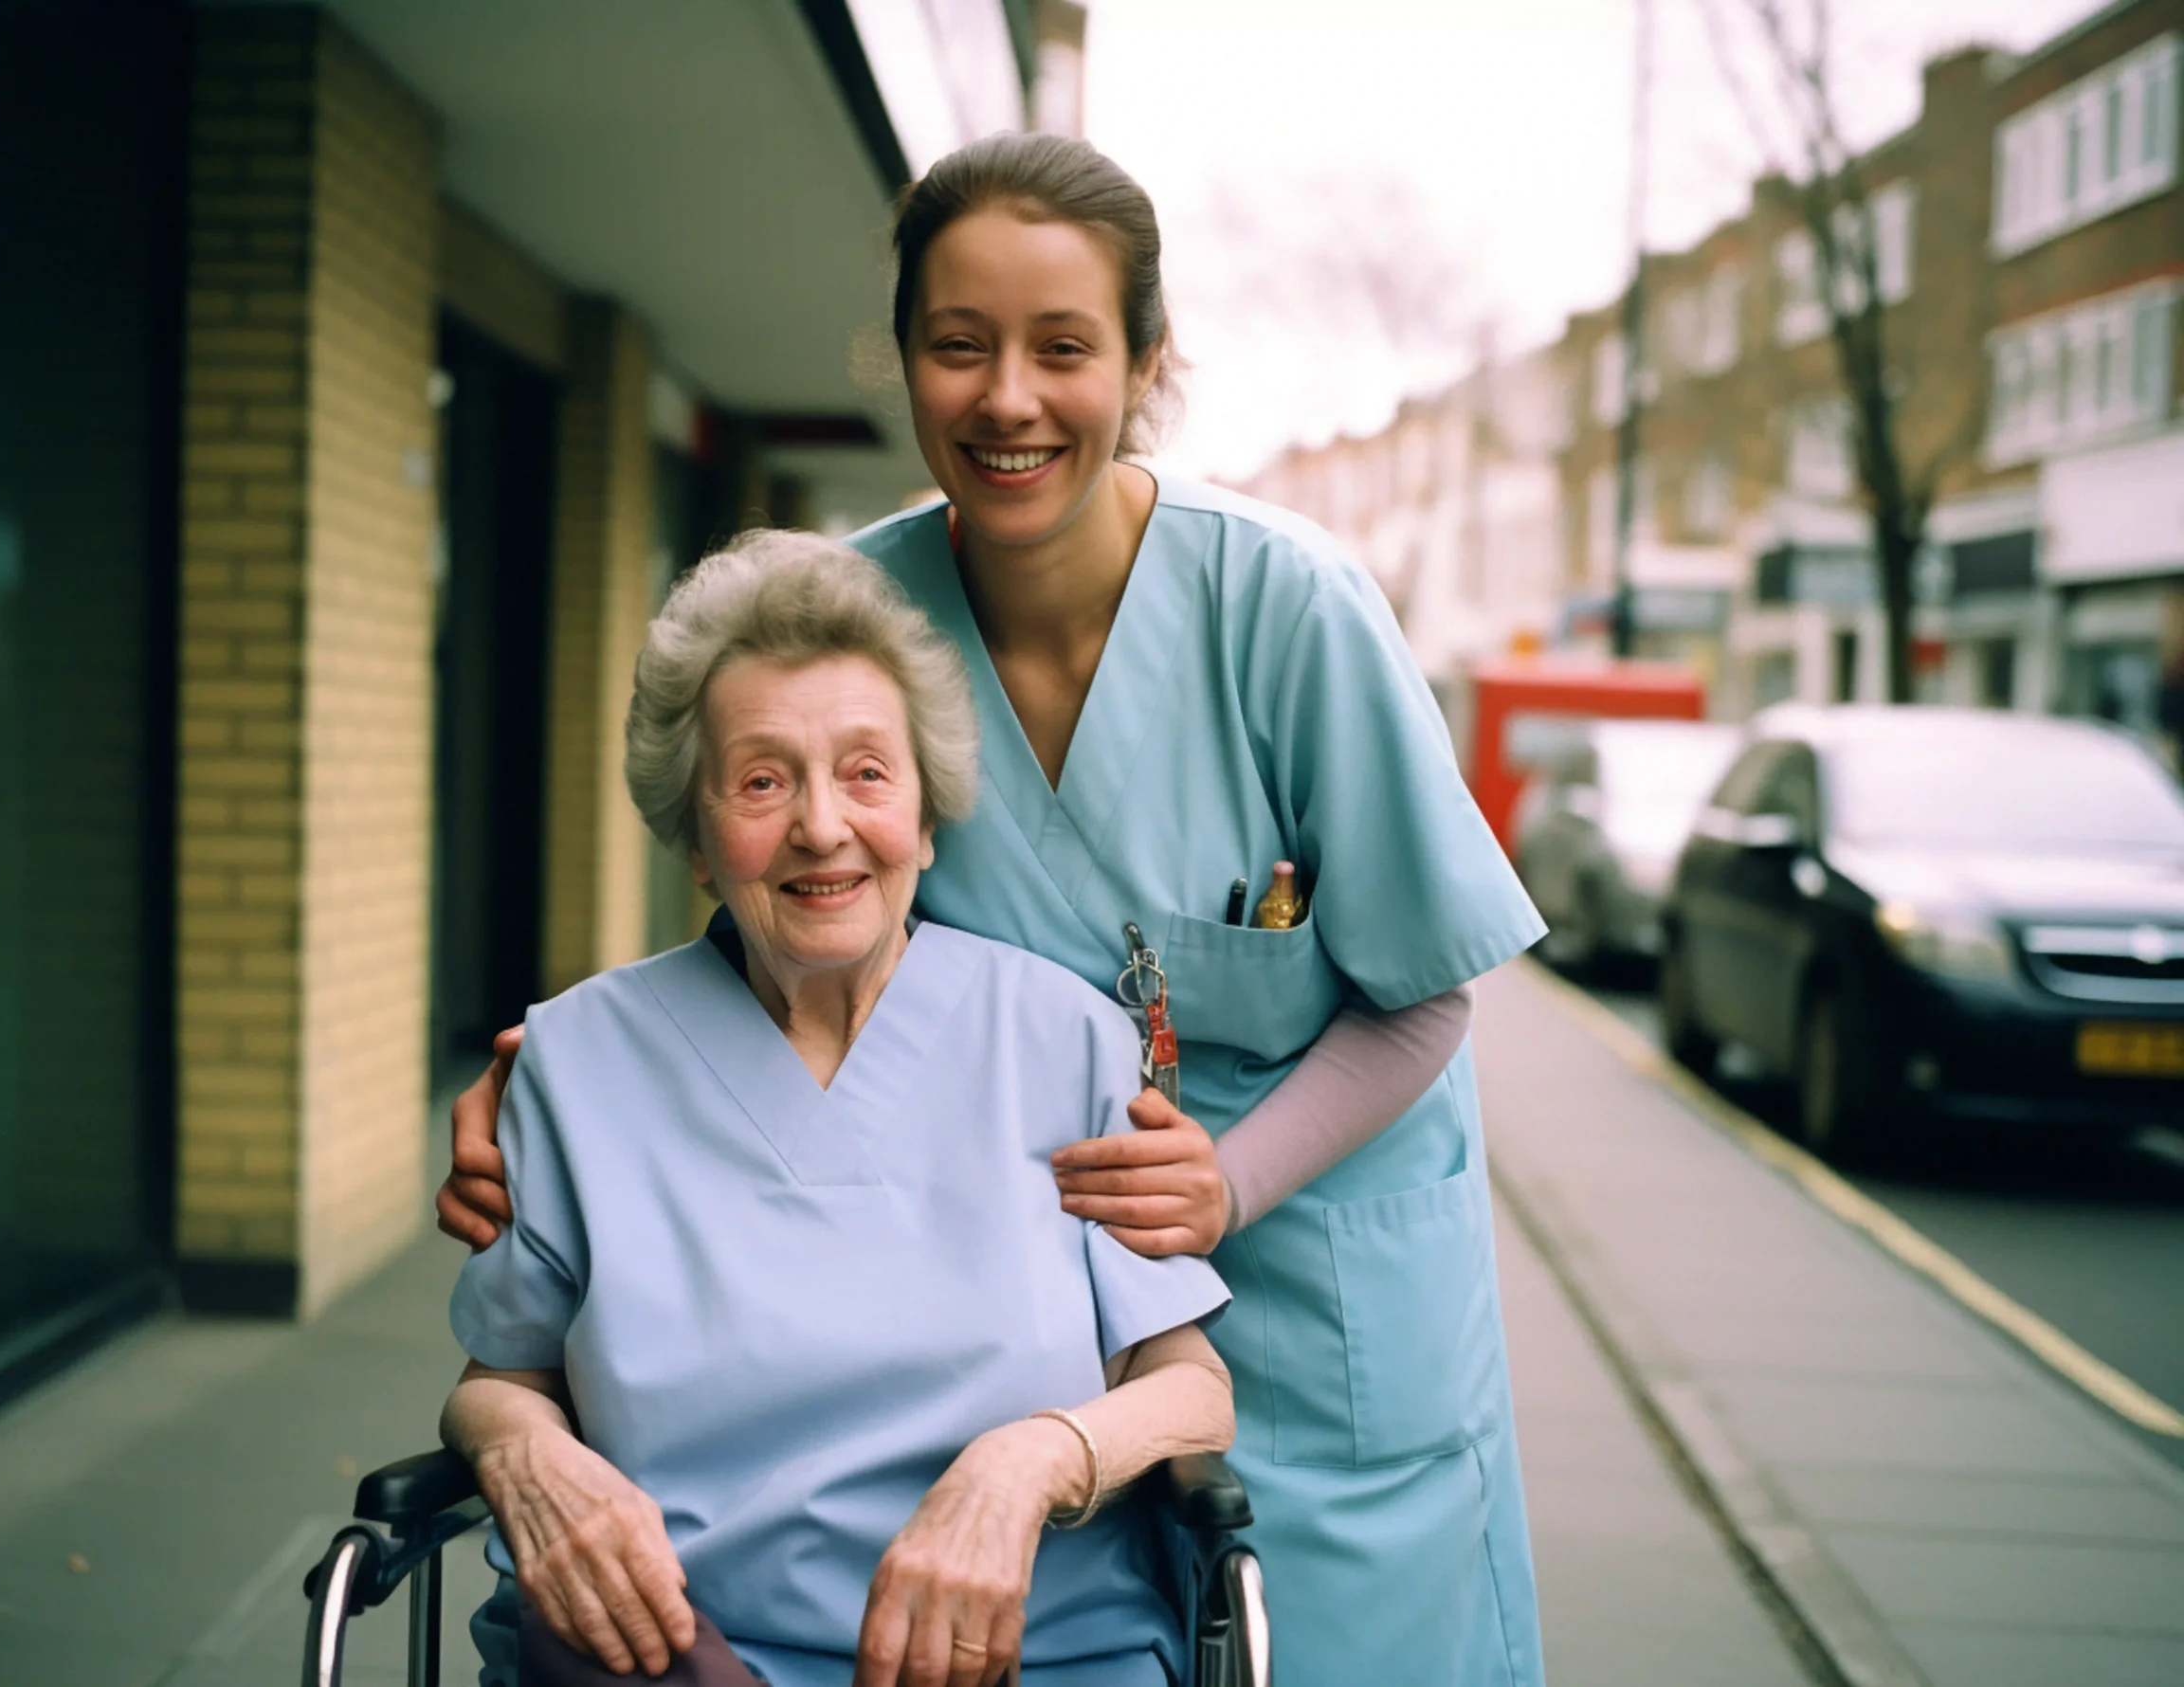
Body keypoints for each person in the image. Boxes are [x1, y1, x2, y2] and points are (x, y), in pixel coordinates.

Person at [446, 134, 1548, 1685]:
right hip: (1013, 1291)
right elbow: (790, 899)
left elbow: (1429, 984)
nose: (1008, 398)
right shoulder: (860, 616)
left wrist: (1227, 1185)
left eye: (1065, 348)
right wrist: (540, 1090)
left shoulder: (1287, 609)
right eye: (958, 346)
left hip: (1318, 1293)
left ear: (1148, 364)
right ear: (903, 362)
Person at [444, 529, 1234, 1687]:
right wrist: (521, 1454)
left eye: (867, 773)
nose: (822, 825)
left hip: (1028, 1658)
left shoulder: (1060, 1038)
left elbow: (1190, 1389)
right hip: (685, 1657)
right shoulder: (577, 1058)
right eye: (762, 780)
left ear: (924, 816)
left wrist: (1028, 1463)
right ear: (700, 839)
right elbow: (501, 1376)